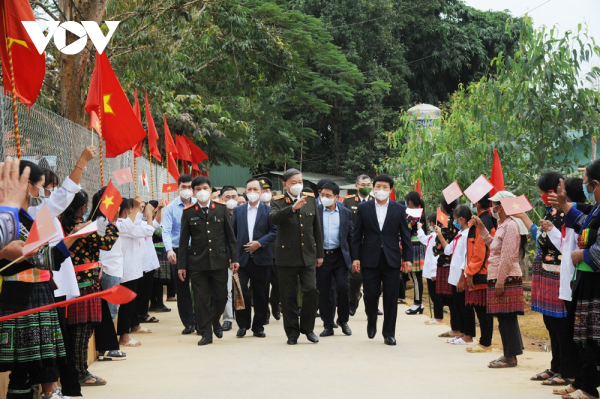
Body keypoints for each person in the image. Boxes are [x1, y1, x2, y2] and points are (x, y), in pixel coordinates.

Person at [0, 160, 82, 399]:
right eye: (40, 187)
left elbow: (44, 257)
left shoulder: (25, 217)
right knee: (23, 368)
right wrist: (73, 238)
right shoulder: (11, 220)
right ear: (26, 186)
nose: (42, 193)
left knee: (31, 366)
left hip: (36, 291)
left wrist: (73, 238)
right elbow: (45, 258)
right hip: (22, 296)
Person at [61, 189, 117, 387]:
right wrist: (113, 225)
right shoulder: (80, 228)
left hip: (79, 282)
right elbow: (106, 243)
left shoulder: (66, 224)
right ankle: (80, 372)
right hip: (84, 285)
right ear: (83, 207)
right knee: (82, 331)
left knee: (80, 331)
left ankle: (80, 370)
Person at [351, 174, 413, 346]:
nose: (381, 190)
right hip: (369, 258)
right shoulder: (364, 208)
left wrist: (408, 259)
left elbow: (406, 236)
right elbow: (356, 236)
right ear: (373, 188)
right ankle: (371, 320)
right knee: (370, 294)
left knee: (391, 297)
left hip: (391, 259)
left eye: (385, 187)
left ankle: (389, 333)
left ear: (390, 190)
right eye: (378, 186)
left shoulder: (398, 209)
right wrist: (355, 258)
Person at [178, 176, 239, 346]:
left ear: (211, 190)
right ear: (193, 192)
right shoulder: (189, 212)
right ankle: (206, 334)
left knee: (221, 298)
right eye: (197, 189)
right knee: (201, 300)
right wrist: (181, 265)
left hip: (219, 261)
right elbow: (183, 241)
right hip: (198, 263)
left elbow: (230, 237)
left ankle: (215, 320)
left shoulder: (221, 209)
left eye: (205, 188)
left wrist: (234, 258)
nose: (202, 191)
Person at [472, 190, 527, 369]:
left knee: (507, 317)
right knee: (504, 317)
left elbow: (507, 255)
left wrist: (501, 280)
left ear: (502, 206)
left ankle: (510, 356)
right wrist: (481, 227)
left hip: (506, 276)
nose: (493, 207)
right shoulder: (503, 224)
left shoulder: (511, 225)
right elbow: (493, 245)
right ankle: (510, 353)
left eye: (495, 204)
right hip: (499, 275)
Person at [269, 168, 323, 345]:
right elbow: (274, 218)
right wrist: (292, 208)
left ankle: (308, 328)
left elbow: (317, 229)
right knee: (288, 296)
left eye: (300, 181)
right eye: (293, 182)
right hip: (286, 257)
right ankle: (292, 332)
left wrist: (319, 254)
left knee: (311, 291)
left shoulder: (311, 200)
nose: (297, 185)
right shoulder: (277, 201)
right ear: (285, 185)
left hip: (308, 255)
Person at [231, 178, 277, 337]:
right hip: (241, 260)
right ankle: (242, 325)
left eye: (255, 189)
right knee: (240, 291)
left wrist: (259, 243)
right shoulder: (238, 210)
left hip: (262, 259)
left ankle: (258, 326)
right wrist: (232, 257)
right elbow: (232, 234)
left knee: (261, 294)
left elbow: (274, 232)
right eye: (249, 189)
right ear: (245, 190)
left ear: (261, 191)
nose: (252, 192)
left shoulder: (268, 210)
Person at [116, 198, 157, 347]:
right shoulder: (122, 225)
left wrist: (141, 212)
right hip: (127, 271)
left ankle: (131, 328)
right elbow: (149, 230)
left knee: (130, 304)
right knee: (127, 305)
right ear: (127, 211)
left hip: (132, 270)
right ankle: (124, 336)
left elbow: (139, 223)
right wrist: (149, 213)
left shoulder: (126, 224)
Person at [161, 175, 196, 334]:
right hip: (178, 251)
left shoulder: (198, 205)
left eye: (190, 187)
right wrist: (169, 250)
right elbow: (166, 231)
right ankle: (188, 322)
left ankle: (201, 320)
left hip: (198, 251)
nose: (187, 190)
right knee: (182, 289)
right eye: (184, 186)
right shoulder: (171, 208)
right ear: (178, 188)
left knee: (199, 287)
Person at [317, 182, 353, 337]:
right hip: (322, 257)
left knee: (343, 288)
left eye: (328, 196)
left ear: (336, 197)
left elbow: (350, 236)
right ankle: (328, 324)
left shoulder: (345, 212)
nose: (324, 198)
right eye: (322, 195)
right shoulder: (316, 211)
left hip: (340, 256)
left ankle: (343, 321)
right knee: (324, 291)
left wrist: (355, 258)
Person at [435, 205, 474, 345]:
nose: (454, 222)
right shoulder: (459, 234)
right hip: (453, 277)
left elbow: (466, 257)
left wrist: (462, 278)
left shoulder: (468, 235)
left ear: (462, 219)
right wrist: (439, 233)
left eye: (456, 219)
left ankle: (468, 336)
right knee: (457, 307)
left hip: (460, 277)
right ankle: (461, 334)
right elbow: (448, 250)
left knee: (465, 308)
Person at [465, 193, 496, 354]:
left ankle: (485, 342)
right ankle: (484, 341)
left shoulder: (483, 221)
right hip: (480, 269)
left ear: (477, 203)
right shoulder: (481, 219)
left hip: (481, 271)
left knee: (483, 309)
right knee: (481, 308)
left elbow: (480, 249)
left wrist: (470, 272)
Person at [343, 174, 373, 316]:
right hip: (353, 245)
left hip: (371, 245)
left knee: (371, 278)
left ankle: (371, 305)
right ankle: (353, 300)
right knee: (355, 278)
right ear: (356, 186)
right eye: (362, 185)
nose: (366, 187)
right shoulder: (348, 202)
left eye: (368, 184)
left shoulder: (375, 201)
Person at [433, 197, 460, 339]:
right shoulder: (459, 222)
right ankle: (455, 327)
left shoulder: (444, 223)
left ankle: (456, 328)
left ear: (443, 208)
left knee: (451, 298)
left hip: (445, 263)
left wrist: (435, 250)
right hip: (457, 262)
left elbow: (438, 246)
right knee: (455, 297)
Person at [137, 200, 164, 323]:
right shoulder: (136, 224)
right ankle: (140, 314)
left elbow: (156, 224)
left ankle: (143, 313)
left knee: (147, 290)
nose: (144, 209)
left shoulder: (143, 223)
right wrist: (148, 213)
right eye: (141, 207)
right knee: (142, 291)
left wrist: (158, 210)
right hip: (140, 264)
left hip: (148, 263)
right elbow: (150, 230)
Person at [260, 178, 281, 323]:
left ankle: (274, 303)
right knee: (262, 284)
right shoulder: (253, 208)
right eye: (261, 191)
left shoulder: (278, 205)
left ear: (271, 192)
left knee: (279, 283)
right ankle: (265, 312)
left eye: (266, 191)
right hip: (261, 251)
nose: (264, 193)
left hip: (277, 251)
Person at [220, 184, 239, 332]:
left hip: (245, 257)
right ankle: (228, 319)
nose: (231, 199)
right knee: (227, 290)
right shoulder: (218, 214)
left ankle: (243, 317)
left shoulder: (244, 213)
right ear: (221, 199)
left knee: (242, 289)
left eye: (234, 197)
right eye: (228, 197)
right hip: (226, 259)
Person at [148, 200, 173, 313]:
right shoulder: (149, 223)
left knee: (157, 281)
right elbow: (160, 232)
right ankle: (157, 304)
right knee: (157, 280)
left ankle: (157, 303)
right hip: (156, 255)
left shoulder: (152, 222)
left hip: (158, 254)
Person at [404, 191, 426, 314]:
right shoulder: (419, 212)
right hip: (417, 244)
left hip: (415, 245)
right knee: (416, 276)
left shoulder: (414, 214)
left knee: (416, 276)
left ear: (410, 202)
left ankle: (417, 303)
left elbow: (407, 228)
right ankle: (418, 303)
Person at [417, 212, 441, 325]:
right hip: (429, 271)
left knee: (436, 295)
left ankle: (438, 317)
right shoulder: (432, 235)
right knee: (433, 294)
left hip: (433, 272)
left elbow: (435, 256)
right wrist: (419, 229)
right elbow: (423, 239)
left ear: (432, 223)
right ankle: (437, 316)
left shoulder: (437, 236)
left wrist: (433, 271)